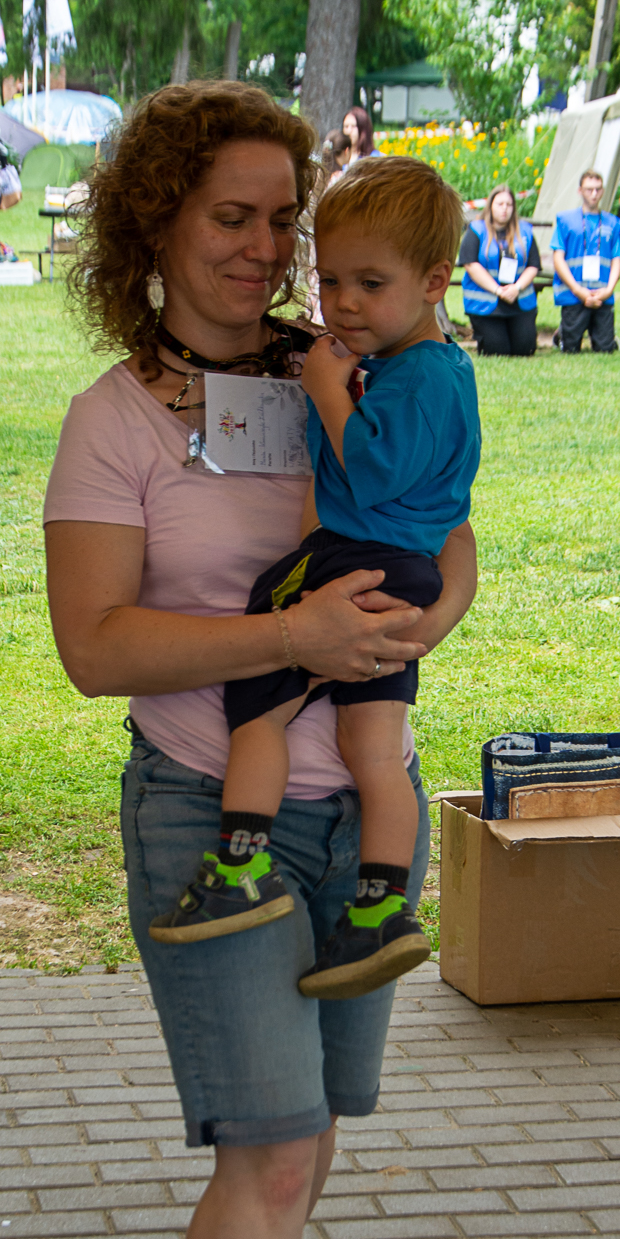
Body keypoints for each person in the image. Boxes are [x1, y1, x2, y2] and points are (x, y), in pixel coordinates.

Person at [42, 81, 477, 1239]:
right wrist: (288, 635)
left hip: (361, 812)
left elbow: (446, 538)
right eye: (230, 216)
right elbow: (95, 646)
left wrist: (417, 622)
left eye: (280, 218)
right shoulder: (114, 424)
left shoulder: (345, 366)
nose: (263, 247)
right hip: (204, 815)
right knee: (277, 1152)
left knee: (303, 1141)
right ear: (153, 225)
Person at [150, 154, 478, 1002]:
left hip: (349, 559)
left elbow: (370, 471)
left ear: (434, 281)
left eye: (371, 283)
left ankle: (238, 865)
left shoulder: (417, 376)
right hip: (403, 569)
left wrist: (330, 390)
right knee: (373, 747)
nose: (345, 304)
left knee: (258, 704)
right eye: (331, 281)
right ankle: (381, 911)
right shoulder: (433, 368)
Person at [458, 183, 540, 354]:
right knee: (497, 350)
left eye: (509, 204)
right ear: (490, 205)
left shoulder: (525, 231)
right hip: (487, 303)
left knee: (525, 349)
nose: (504, 209)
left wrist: (516, 288)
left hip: (518, 299)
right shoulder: (476, 229)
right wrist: (498, 290)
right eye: (500, 204)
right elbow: (470, 264)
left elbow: (533, 265)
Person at [551, 168, 620, 352]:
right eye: (589, 189)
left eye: (598, 189)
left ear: (603, 191)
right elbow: (558, 258)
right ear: (580, 191)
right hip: (574, 294)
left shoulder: (612, 222)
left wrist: (608, 290)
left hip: (601, 295)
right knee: (570, 349)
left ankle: (607, 336)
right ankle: (562, 334)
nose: (594, 194)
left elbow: (617, 258)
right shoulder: (565, 221)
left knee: (605, 349)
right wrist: (578, 290)